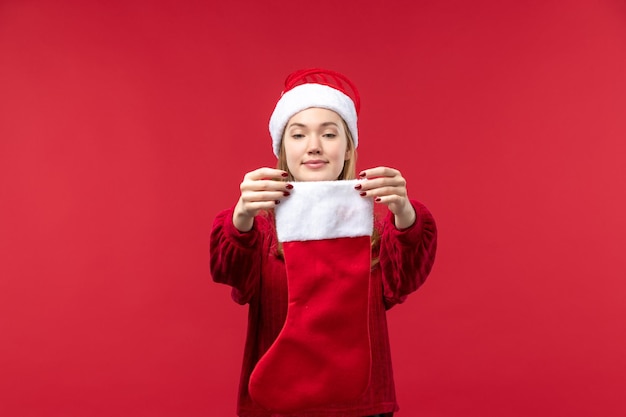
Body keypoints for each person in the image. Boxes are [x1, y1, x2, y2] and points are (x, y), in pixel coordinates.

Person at [210, 68, 437, 417]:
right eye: (298, 135)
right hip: (277, 404)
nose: (314, 145)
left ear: (347, 149)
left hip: (363, 404)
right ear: (282, 148)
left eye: (329, 134)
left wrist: (404, 212)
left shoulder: (369, 227)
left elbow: (401, 283)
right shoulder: (261, 226)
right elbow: (233, 278)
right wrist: (240, 216)